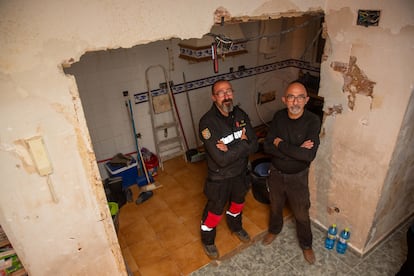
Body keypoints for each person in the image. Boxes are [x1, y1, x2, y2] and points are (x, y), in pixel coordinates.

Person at [262, 80, 321, 265]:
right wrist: (295, 151)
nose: (295, 102)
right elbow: (266, 146)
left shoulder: (312, 121)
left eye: (300, 97)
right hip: (276, 174)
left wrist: (280, 144)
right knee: (275, 206)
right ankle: (274, 230)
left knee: (301, 213)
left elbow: (308, 155)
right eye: (291, 97)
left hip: (298, 178)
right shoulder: (279, 117)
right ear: (284, 99)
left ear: (306, 100)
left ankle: (306, 245)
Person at [199, 79, 258, 259]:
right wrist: (242, 143)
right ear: (214, 97)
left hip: (240, 172)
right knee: (215, 211)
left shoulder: (240, 114)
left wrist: (233, 148)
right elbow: (221, 159)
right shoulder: (207, 123)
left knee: (238, 204)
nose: (226, 96)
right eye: (221, 93)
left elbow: (254, 144)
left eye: (228, 91)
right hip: (220, 177)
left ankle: (236, 227)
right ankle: (208, 240)